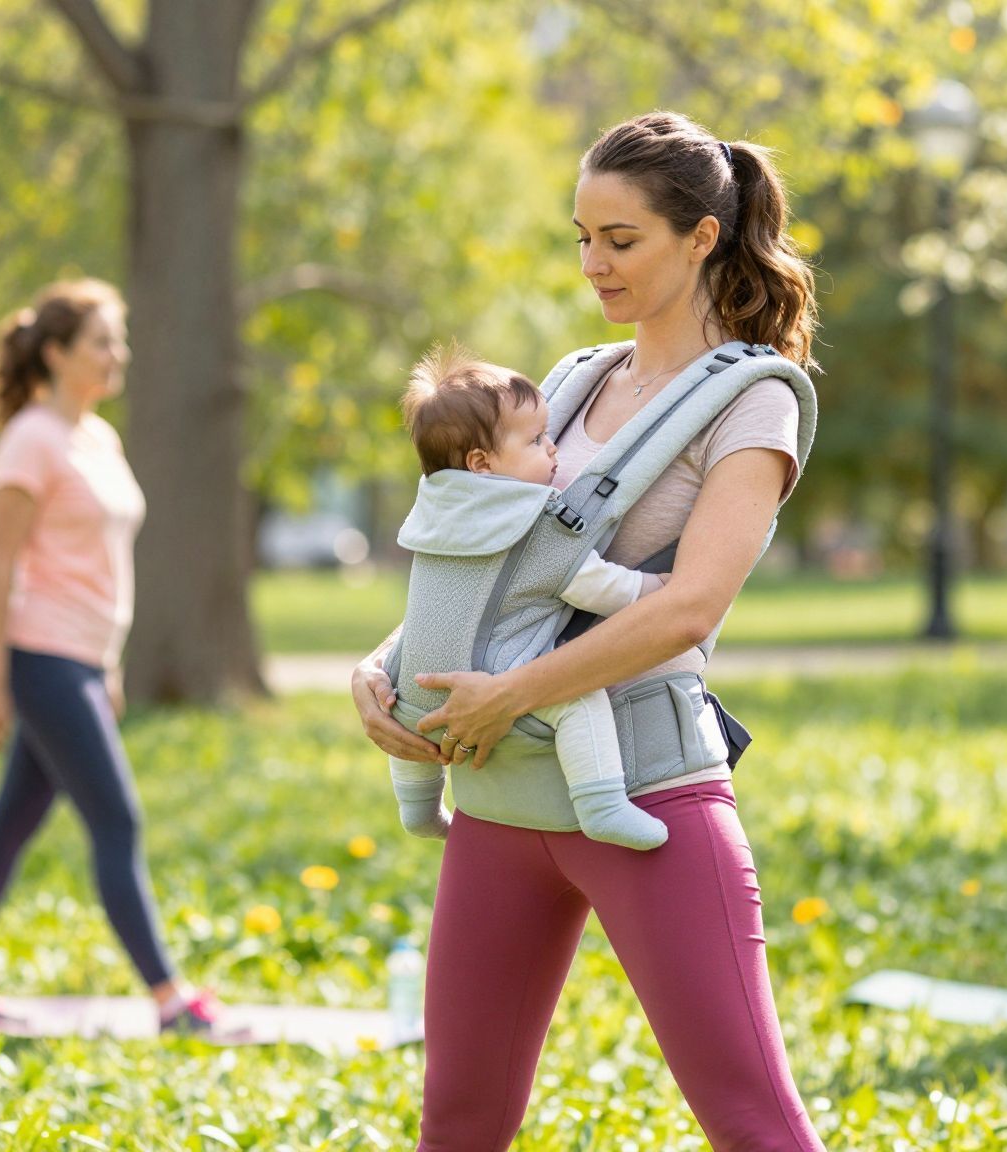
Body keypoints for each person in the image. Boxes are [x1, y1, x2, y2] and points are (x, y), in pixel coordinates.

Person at [350, 112, 826, 1150]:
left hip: (646, 796)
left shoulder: (752, 404)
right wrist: (380, 669)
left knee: (750, 1121)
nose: (591, 263)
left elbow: (690, 609)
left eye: (621, 240)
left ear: (701, 238)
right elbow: (490, 563)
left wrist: (509, 695)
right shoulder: (566, 384)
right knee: (459, 1122)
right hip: (498, 801)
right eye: (581, 236)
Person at [0, 278, 223, 1034]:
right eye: (102, 340)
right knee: (117, 821)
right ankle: (170, 1001)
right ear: (58, 354)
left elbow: (105, 563)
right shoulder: (29, 440)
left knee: (11, 825)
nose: (116, 353)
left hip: (83, 659)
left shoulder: (96, 436)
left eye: (118, 339)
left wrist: (111, 665)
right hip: (41, 655)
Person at [387, 344, 669, 850]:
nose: (553, 448)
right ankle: (602, 804)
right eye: (537, 440)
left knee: (412, 708)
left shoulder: (433, 508)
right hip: (490, 680)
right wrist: (659, 588)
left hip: (407, 688)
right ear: (482, 463)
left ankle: (418, 807)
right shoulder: (539, 523)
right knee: (577, 699)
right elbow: (598, 586)